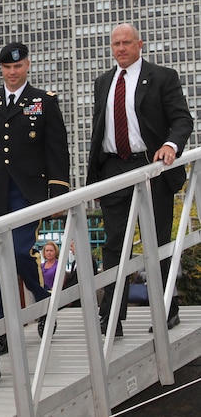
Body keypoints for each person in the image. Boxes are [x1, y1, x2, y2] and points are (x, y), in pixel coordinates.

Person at [87, 23, 193, 337]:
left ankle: (166, 309)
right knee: (114, 245)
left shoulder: (162, 77)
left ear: (139, 44)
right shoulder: (103, 82)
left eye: (126, 43)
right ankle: (112, 317)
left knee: (157, 242)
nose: (120, 48)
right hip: (113, 170)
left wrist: (171, 146)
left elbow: (181, 119)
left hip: (151, 167)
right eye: (115, 44)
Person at [0, 41, 70, 354]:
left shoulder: (43, 102)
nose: (12, 72)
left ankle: (43, 302)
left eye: (17, 66)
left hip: (26, 193)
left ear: (27, 66)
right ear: (1, 69)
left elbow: (56, 150)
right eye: (7, 67)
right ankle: (0, 325)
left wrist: (58, 192)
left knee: (16, 252)